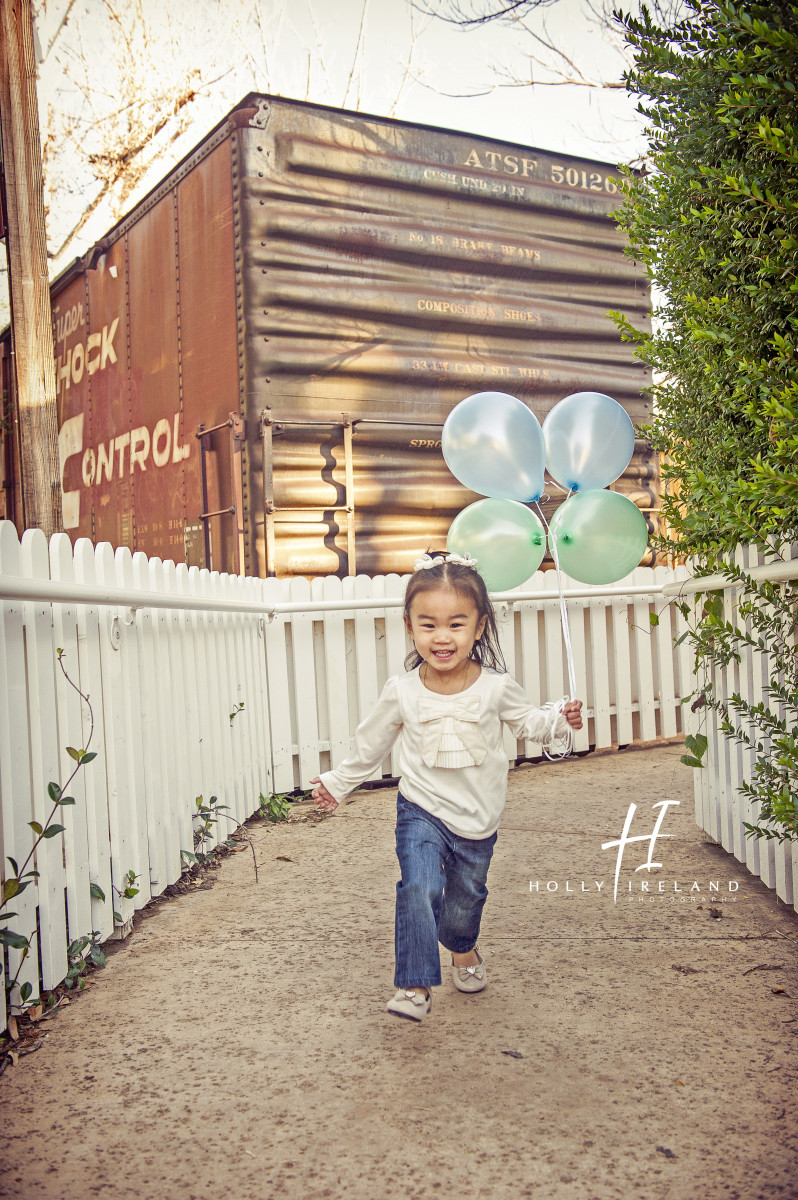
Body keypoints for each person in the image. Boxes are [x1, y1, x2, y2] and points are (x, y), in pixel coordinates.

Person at [310, 550, 583, 1022]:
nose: (442, 637)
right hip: (421, 808)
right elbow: (370, 745)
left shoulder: (495, 687)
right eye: (429, 624)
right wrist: (339, 782)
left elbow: (529, 724)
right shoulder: (402, 690)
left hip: (478, 818)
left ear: (479, 628)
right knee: (418, 887)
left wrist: (560, 717)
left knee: (464, 903)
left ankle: (463, 947)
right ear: (410, 626)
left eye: (456, 625)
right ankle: (414, 985)